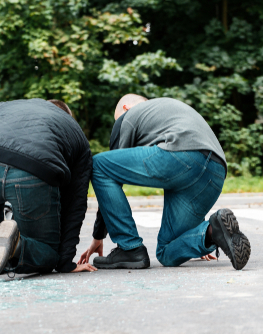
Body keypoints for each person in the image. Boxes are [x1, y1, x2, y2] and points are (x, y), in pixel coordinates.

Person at [79, 95, 251, 270]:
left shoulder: (128, 116)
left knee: (100, 165)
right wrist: (194, 237)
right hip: (216, 172)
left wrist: (98, 236)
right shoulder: (170, 111)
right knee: (166, 252)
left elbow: (109, 175)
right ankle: (212, 232)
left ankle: (129, 248)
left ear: (125, 108)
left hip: (180, 157)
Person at [0, 98, 96, 282]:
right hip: (32, 174)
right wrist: (65, 263)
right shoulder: (75, 133)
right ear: (66, 116)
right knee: (49, 254)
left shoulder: (14, 105)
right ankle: (16, 247)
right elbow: (74, 204)